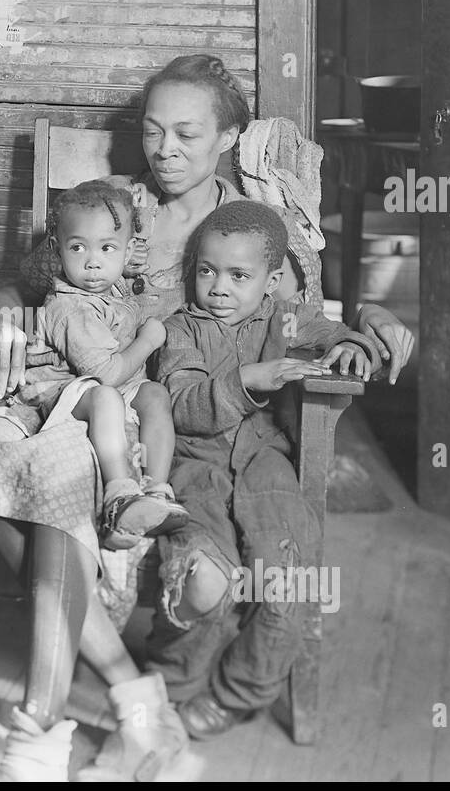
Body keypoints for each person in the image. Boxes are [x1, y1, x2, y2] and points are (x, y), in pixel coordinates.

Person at [0, 53, 416, 782]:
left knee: (59, 489)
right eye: (154, 131)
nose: (165, 150)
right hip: (90, 404)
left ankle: (68, 726)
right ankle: (133, 704)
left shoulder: (248, 225)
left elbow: (304, 320)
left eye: (187, 134)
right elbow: (26, 281)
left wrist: (373, 313)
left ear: (227, 138)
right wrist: (1, 317)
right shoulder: (116, 209)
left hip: (170, 429)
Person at [153, 200, 381, 735]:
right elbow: (181, 402)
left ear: (273, 280)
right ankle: (173, 683)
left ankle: (241, 692)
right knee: (203, 574)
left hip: (265, 463)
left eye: (239, 275)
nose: (218, 288)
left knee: (288, 572)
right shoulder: (181, 329)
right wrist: (248, 379)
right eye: (206, 271)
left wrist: (351, 345)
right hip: (195, 468)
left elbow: (326, 330)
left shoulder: (285, 317)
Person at [13, 179, 188, 548]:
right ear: (58, 253)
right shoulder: (68, 307)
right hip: (60, 392)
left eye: (107, 248)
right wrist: (148, 340)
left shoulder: (112, 286)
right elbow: (106, 374)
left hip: (107, 385)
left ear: (127, 256)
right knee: (106, 397)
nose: (93, 262)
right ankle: (119, 495)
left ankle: (155, 492)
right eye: (78, 248)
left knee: (155, 394)